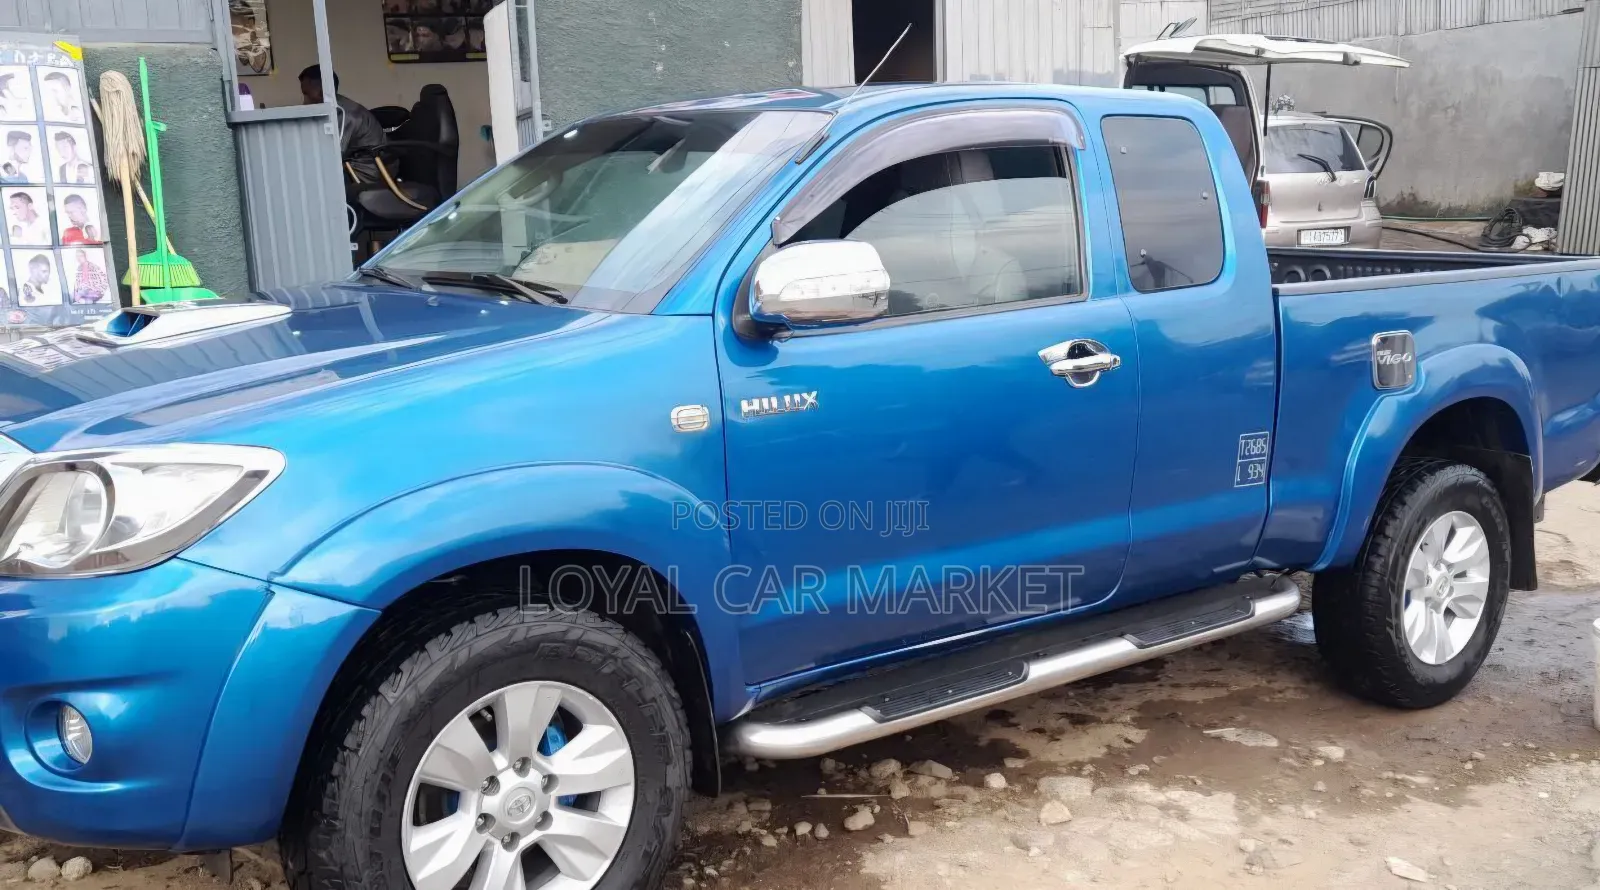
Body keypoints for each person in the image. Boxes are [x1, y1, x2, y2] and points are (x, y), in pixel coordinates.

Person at [299, 65, 385, 182]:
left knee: (310, 179)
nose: (304, 102)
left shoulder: (345, 114)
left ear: (322, 90)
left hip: (367, 171)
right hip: (354, 166)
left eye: (306, 94)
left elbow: (332, 157)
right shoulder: (335, 107)